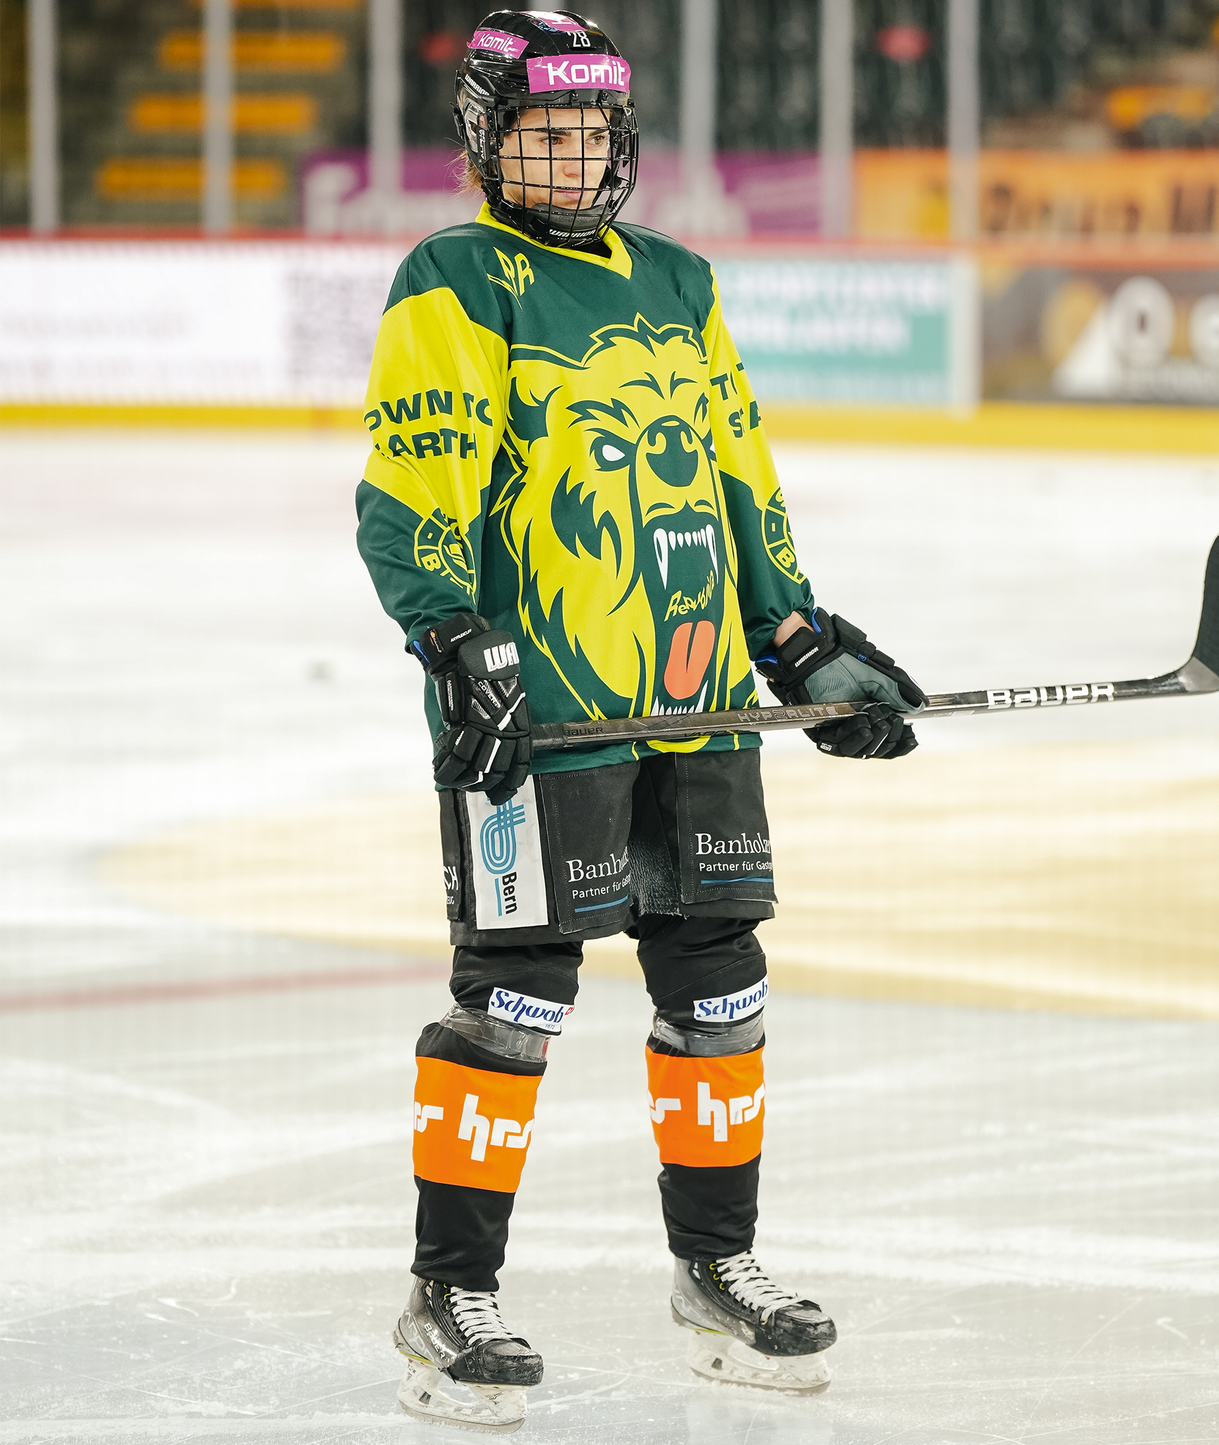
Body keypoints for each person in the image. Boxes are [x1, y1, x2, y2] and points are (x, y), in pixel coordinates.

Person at [354, 10, 925, 1431]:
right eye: (543, 132)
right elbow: (408, 479)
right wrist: (450, 635)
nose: (571, 156)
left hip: (696, 702)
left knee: (719, 980)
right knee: (517, 995)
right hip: (535, 716)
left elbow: (740, 474)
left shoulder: (679, 280)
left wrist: (800, 639)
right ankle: (450, 1292)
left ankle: (718, 1269)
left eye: (592, 132)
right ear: (488, 139)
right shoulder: (456, 279)